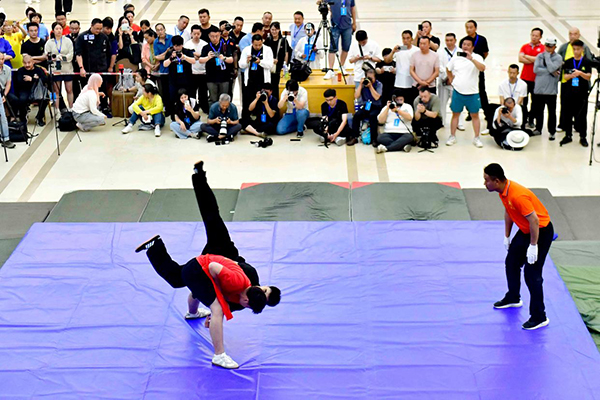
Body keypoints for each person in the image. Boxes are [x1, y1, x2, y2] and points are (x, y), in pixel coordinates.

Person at [136, 161, 281, 369]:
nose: (262, 291)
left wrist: (212, 313)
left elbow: (220, 301)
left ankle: (155, 248)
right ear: (264, 287)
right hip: (222, 253)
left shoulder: (245, 302)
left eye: (263, 296)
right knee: (211, 215)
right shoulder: (250, 277)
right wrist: (212, 298)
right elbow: (227, 270)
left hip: (212, 268)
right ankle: (199, 176)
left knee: (178, 279)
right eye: (265, 290)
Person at [484, 163, 553, 331]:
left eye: (486, 180)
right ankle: (513, 297)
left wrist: (533, 246)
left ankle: (539, 316)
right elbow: (509, 212)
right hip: (526, 230)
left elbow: (534, 220)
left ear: (497, 181)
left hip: (541, 231)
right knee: (512, 262)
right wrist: (507, 236)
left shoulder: (518, 195)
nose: (484, 183)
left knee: (532, 274)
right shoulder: (503, 191)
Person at [445, 36, 486, 148]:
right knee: (455, 114)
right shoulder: (456, 57)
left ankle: (476, 138)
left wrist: (471, 59)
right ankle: (452, 136)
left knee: (475, 115)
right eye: (464, 44)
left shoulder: (477, 57)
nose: (465, 46)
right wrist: (451, 79)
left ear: (472, 47)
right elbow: (448, 68)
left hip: (473, 93)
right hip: (458, 92)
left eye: (468, 45)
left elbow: (482, 68)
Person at [559, 40, 592, 147]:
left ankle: (583, 136)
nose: (576, 51)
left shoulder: (586, 62)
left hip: (582, 93)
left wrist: (580, 73)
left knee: (582, 115)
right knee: (568, 114)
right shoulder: (568, 61)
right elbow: (565, 76)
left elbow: (588, 76)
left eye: (578, 49)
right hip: (569, 92)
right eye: (574, 49)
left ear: (582, 49)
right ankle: (568, 135)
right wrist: (571, 75)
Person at [485, 64, 528, 135]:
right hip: (506, 105)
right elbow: (501, 98)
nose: (512, 75)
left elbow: (520, 100)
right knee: (490, 107)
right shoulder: (502, 84)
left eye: (514, 73)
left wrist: (513, 108)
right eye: (510, 73)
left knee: (523, 109)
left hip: (515, 105)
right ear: (508, 72)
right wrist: (503, 107)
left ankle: (521, 127)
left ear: (517, 73)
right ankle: (489, 127)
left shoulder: (523, 84)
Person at [532, 37, 561, 141]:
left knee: (551, 112)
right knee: (539, 111)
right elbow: (536, 70)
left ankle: (552, 131)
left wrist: (548, 58)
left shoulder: (558, 58)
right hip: (539, 89)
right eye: (547, 46)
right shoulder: (539, 56)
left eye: (551, 46)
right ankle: (538, 128)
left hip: (551, 91)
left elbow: (553, 68)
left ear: (555, 47)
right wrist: (551, 71)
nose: (548, 48)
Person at [239, 34, 274, 118]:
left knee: (261, 102)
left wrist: (260, 62)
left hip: (263, 80)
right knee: (248, 102)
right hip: (250, 81)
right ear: (252, 42)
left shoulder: (268, 49)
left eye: (260, 45)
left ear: (262, 42)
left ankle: (260, 120)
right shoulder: (246, 50)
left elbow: (270, 65)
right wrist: (247, 61)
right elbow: (240, 65)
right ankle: (247, 120)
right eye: (255, 45)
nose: (258, 47)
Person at [10, 54, 48, 126]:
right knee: (22, 99)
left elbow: (45, 80)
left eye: (29, 63)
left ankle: (39, 117)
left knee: (44, 99)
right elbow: (19, 81)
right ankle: (23, 118)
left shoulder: (39, 70)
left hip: (37, 90)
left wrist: (32, 79)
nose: (27, 65)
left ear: (33, 62)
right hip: (24, 90)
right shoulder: (20, 70)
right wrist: (35, 79)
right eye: (25, 63)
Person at [200, 26, 234, 105]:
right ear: (209, 36)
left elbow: (231, 60)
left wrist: (224, 58)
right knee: (213, 98)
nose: (214, 38)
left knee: (224, 98)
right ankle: (213, 112)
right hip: (211, 77)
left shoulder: (225, 46)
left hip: (224, 77)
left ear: (220, 35)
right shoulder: (206, 47)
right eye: (212, 36)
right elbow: (200, 60)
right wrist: (208, 57)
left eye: (216, 36)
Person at [518, 28, 545, 130]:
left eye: (536, 36)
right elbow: (520, 59)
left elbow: (541, 61)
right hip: (524, 78)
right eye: (532, 35)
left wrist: (527, 57)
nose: (534, 37)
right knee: (523, 101)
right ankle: (523, 119)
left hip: (537, 79)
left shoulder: (543, 48)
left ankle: (531, 119)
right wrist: (534, 59)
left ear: (540, 37)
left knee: (535, 102)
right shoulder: (525, 46)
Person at [385, 30, 419, 107]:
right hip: (399, 82)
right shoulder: (399, 49)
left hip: (412, 83)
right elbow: (387, 60)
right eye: (404, 38)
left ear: (411, 39)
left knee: (411, 104)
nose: (405, 40)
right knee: (399, 105)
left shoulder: (416, 50)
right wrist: (393, 51)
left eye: (408, 38)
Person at [437, 33, 464, 130]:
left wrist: (453, 77)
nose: (449, 42)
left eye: (451, 40)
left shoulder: (461, 52)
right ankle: (442, 121)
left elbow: (462, 66)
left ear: (455, 41)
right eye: (447, 40)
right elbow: (439, 66)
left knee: (458, 103)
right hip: (444, 82)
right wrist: (447, 76)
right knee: (442, 102)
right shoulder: (440, 52)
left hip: (456, 82)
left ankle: (459, 123)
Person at [45, 21, 74, 112]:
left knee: (69, 89)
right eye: (56, 29)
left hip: (67, 69)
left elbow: (71, 54)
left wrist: (63, 58)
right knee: (56, 91)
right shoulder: (49, 42)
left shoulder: (67, 41)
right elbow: (47, 54)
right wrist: (54, 58)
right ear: (53, 30)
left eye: (60, 29)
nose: (58, 31)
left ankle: (71, 108)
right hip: (55, 69)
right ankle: (57, 110)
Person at [163, 35, 196, 116]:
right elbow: (165, 64)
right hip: (173, 80)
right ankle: (174, 114)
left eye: (179, 46)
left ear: (182, 45)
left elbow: (193, 61)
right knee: (173, 97)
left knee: (186, 97)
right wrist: (171, 58)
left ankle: (188, 113)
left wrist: (184, 57)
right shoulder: (170, 53)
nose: (177, 48)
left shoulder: (187, 51)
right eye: (175, 46)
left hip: (186, 79)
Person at [324, 0, 357, 79]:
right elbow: (319, 2)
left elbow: (353, 8)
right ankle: (330, 69)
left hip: (347, 25)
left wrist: (354, 23)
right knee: (332, 47)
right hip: (335, 25)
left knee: (346, 46)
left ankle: (341, 66)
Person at [352, 67, 383, 145]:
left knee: (373, 116)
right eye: (368, 77)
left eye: (371, 78)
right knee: (356, 115)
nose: (369, 80)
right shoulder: (363, 84)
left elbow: (377, 97)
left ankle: (374, 139)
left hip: (376, 106)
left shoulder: (378, 84)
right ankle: (354, 137)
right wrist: (360, 85)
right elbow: (356, 96)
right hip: (366, 106)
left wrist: (370, 86)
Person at [463, 20, 489, 110]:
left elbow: (485, 53)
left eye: (471, 27)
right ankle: (470, 111)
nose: (469, 29)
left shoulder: (482, 39)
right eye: (467, 27)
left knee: (481, 89)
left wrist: (479, 62)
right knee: (468, 90)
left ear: (475, 28)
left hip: (478, 68)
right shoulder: (463, 41)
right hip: (467, 70)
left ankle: (486, 110)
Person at [185, 25, 209, 114]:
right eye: (194, 34)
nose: (196, 36)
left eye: (198, 34)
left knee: (203, 92)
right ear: (191, 34)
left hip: (203, 72)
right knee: (192, 92)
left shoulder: (205, 44)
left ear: (201, 34)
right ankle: (193, 108)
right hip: (192, 73)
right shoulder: (187, 45)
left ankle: (204, 107)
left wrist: (199, 55)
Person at [265, 22, 291, 97]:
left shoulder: (283, 40)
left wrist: (285, 65)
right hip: (270, 68)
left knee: (279, 87)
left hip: (280, 68)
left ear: (279, 30)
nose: (274, 31)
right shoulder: (268, 40)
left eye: (276, 29)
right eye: (272, 29)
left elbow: (286, 53)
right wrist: (271, 60)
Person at [152, 23, 173, 115]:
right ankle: (167, 109)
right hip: (163, 70)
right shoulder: (155, 42)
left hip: (172, 69)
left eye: (161, 29)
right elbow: (157, 57)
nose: (160, 31)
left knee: (172, 90)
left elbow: (172, 53)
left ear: (164, 29)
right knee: (164, 91)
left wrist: (163, 55)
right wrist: (166, 52)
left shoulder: (171, 38)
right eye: (158, 30)